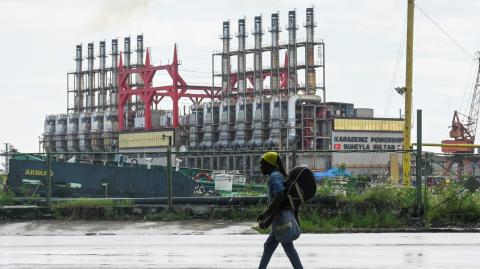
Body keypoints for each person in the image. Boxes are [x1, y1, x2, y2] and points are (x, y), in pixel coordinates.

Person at [257, 152, 303, 269]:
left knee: (286, 246)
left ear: (269, 165)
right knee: (269, 246)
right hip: (279, 218)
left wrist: (266, 212)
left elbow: (279, 194)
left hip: (281, 219)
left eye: (262, 165)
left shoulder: (274, 176)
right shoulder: (278, 175)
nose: (260, 168)